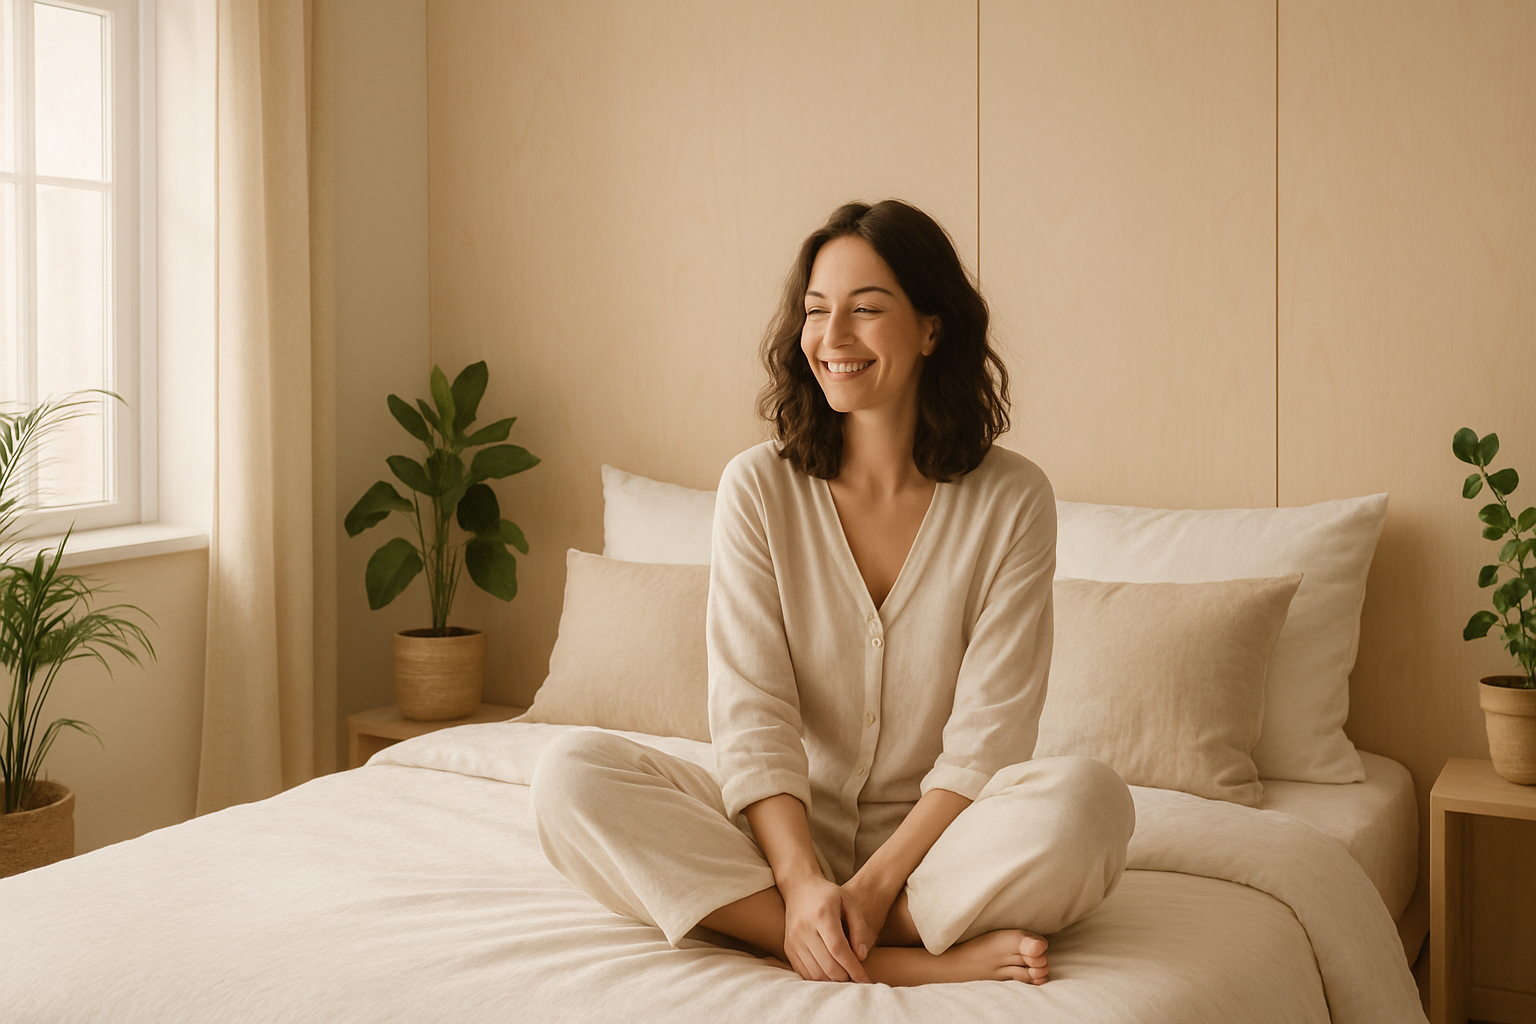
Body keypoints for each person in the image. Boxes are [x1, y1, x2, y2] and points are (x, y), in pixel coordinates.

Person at [532, 200, 1135, 986]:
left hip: (937, 850)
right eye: (817, 312)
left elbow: (988, 739)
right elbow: (753, 717)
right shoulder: (758, 488)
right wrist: (801, 880)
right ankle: (891, 960)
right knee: (568, 777)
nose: (833, 338)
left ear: (932, 328)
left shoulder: (1013, 500)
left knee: (1091, 806)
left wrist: (874, 884)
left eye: (866, 310)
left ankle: (833, 934)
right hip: (776, 841)